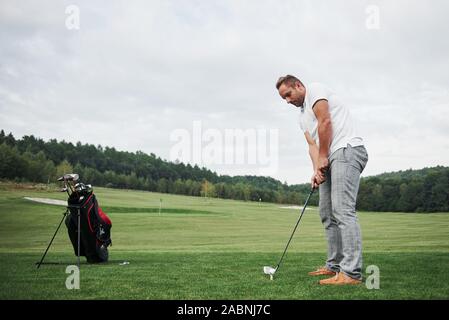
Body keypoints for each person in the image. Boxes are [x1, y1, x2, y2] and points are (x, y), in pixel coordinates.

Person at [276, 75, 368, 285]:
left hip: (347, 150)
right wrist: (317, 170)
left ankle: (351, 273)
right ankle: (334, 265)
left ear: (298, 85)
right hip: (329, 156)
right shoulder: (301, 117)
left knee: (342, 210)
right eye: (284, 99)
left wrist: (324, 157)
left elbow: (325, 122)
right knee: (326, 213)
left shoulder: (315, 90)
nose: (288, 101)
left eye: (288, 95)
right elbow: (312, 146)